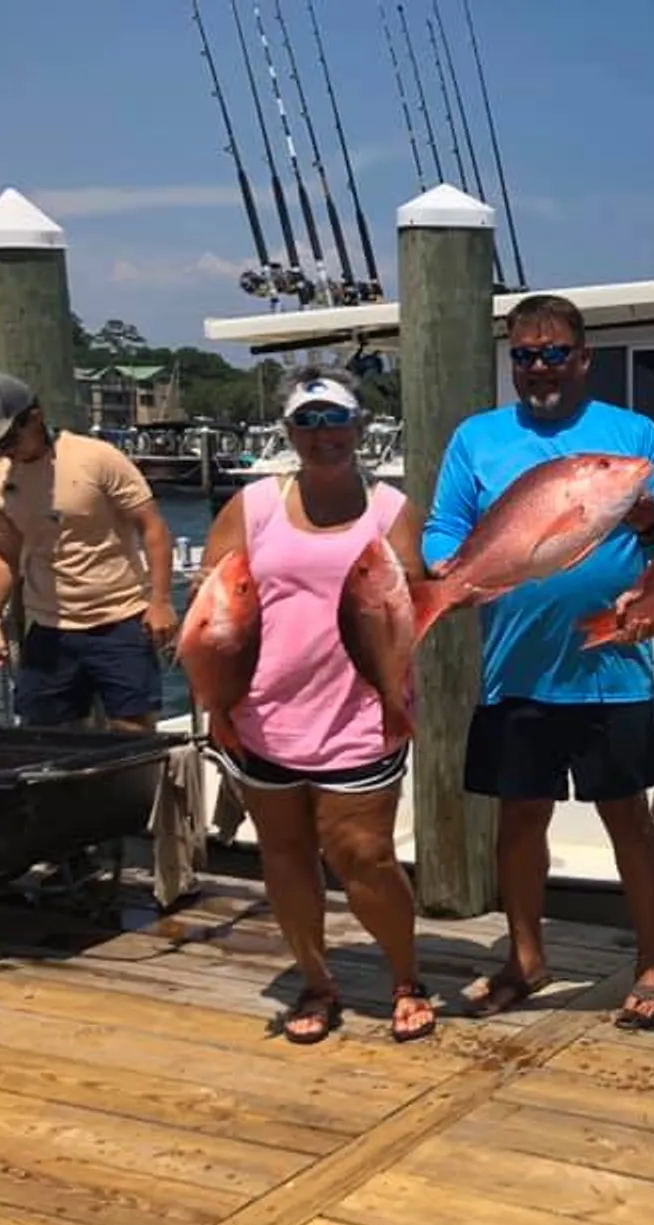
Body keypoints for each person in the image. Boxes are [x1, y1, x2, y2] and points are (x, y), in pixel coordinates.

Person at [425, 293, 654, 1029]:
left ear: (583, 357)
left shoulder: (632, 436)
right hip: (515, 667)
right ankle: (526, 956)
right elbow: (447, 528)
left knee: (627, 816)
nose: (539, 367)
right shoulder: (477, 438)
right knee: (519, 817)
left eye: (554, 353)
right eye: (525, 355)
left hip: (611, 666)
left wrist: (647, 518)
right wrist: (449, 572)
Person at [199, 367, 435, 1045]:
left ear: (360, 427)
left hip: (361, 716)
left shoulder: (391, 511)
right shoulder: (252, 507)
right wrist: (215, 693)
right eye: (309, 422)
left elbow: (417, 598)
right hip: (262, 717)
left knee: (365, 856)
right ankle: (315, 980)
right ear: (290, 432)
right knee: (285, 854)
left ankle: (405, 976)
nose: (324, 435)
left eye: (337, 421)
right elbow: (216, 606)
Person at [0, 371, 177, 730]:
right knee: (49, 737)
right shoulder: (0, 480)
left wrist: (160, 601)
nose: (2, 451)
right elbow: (2, 552)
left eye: (6, 438)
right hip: (49, 626)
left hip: (120, 618)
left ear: (34, 418)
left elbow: (152, 527)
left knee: (133, 730)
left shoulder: (97, 458)